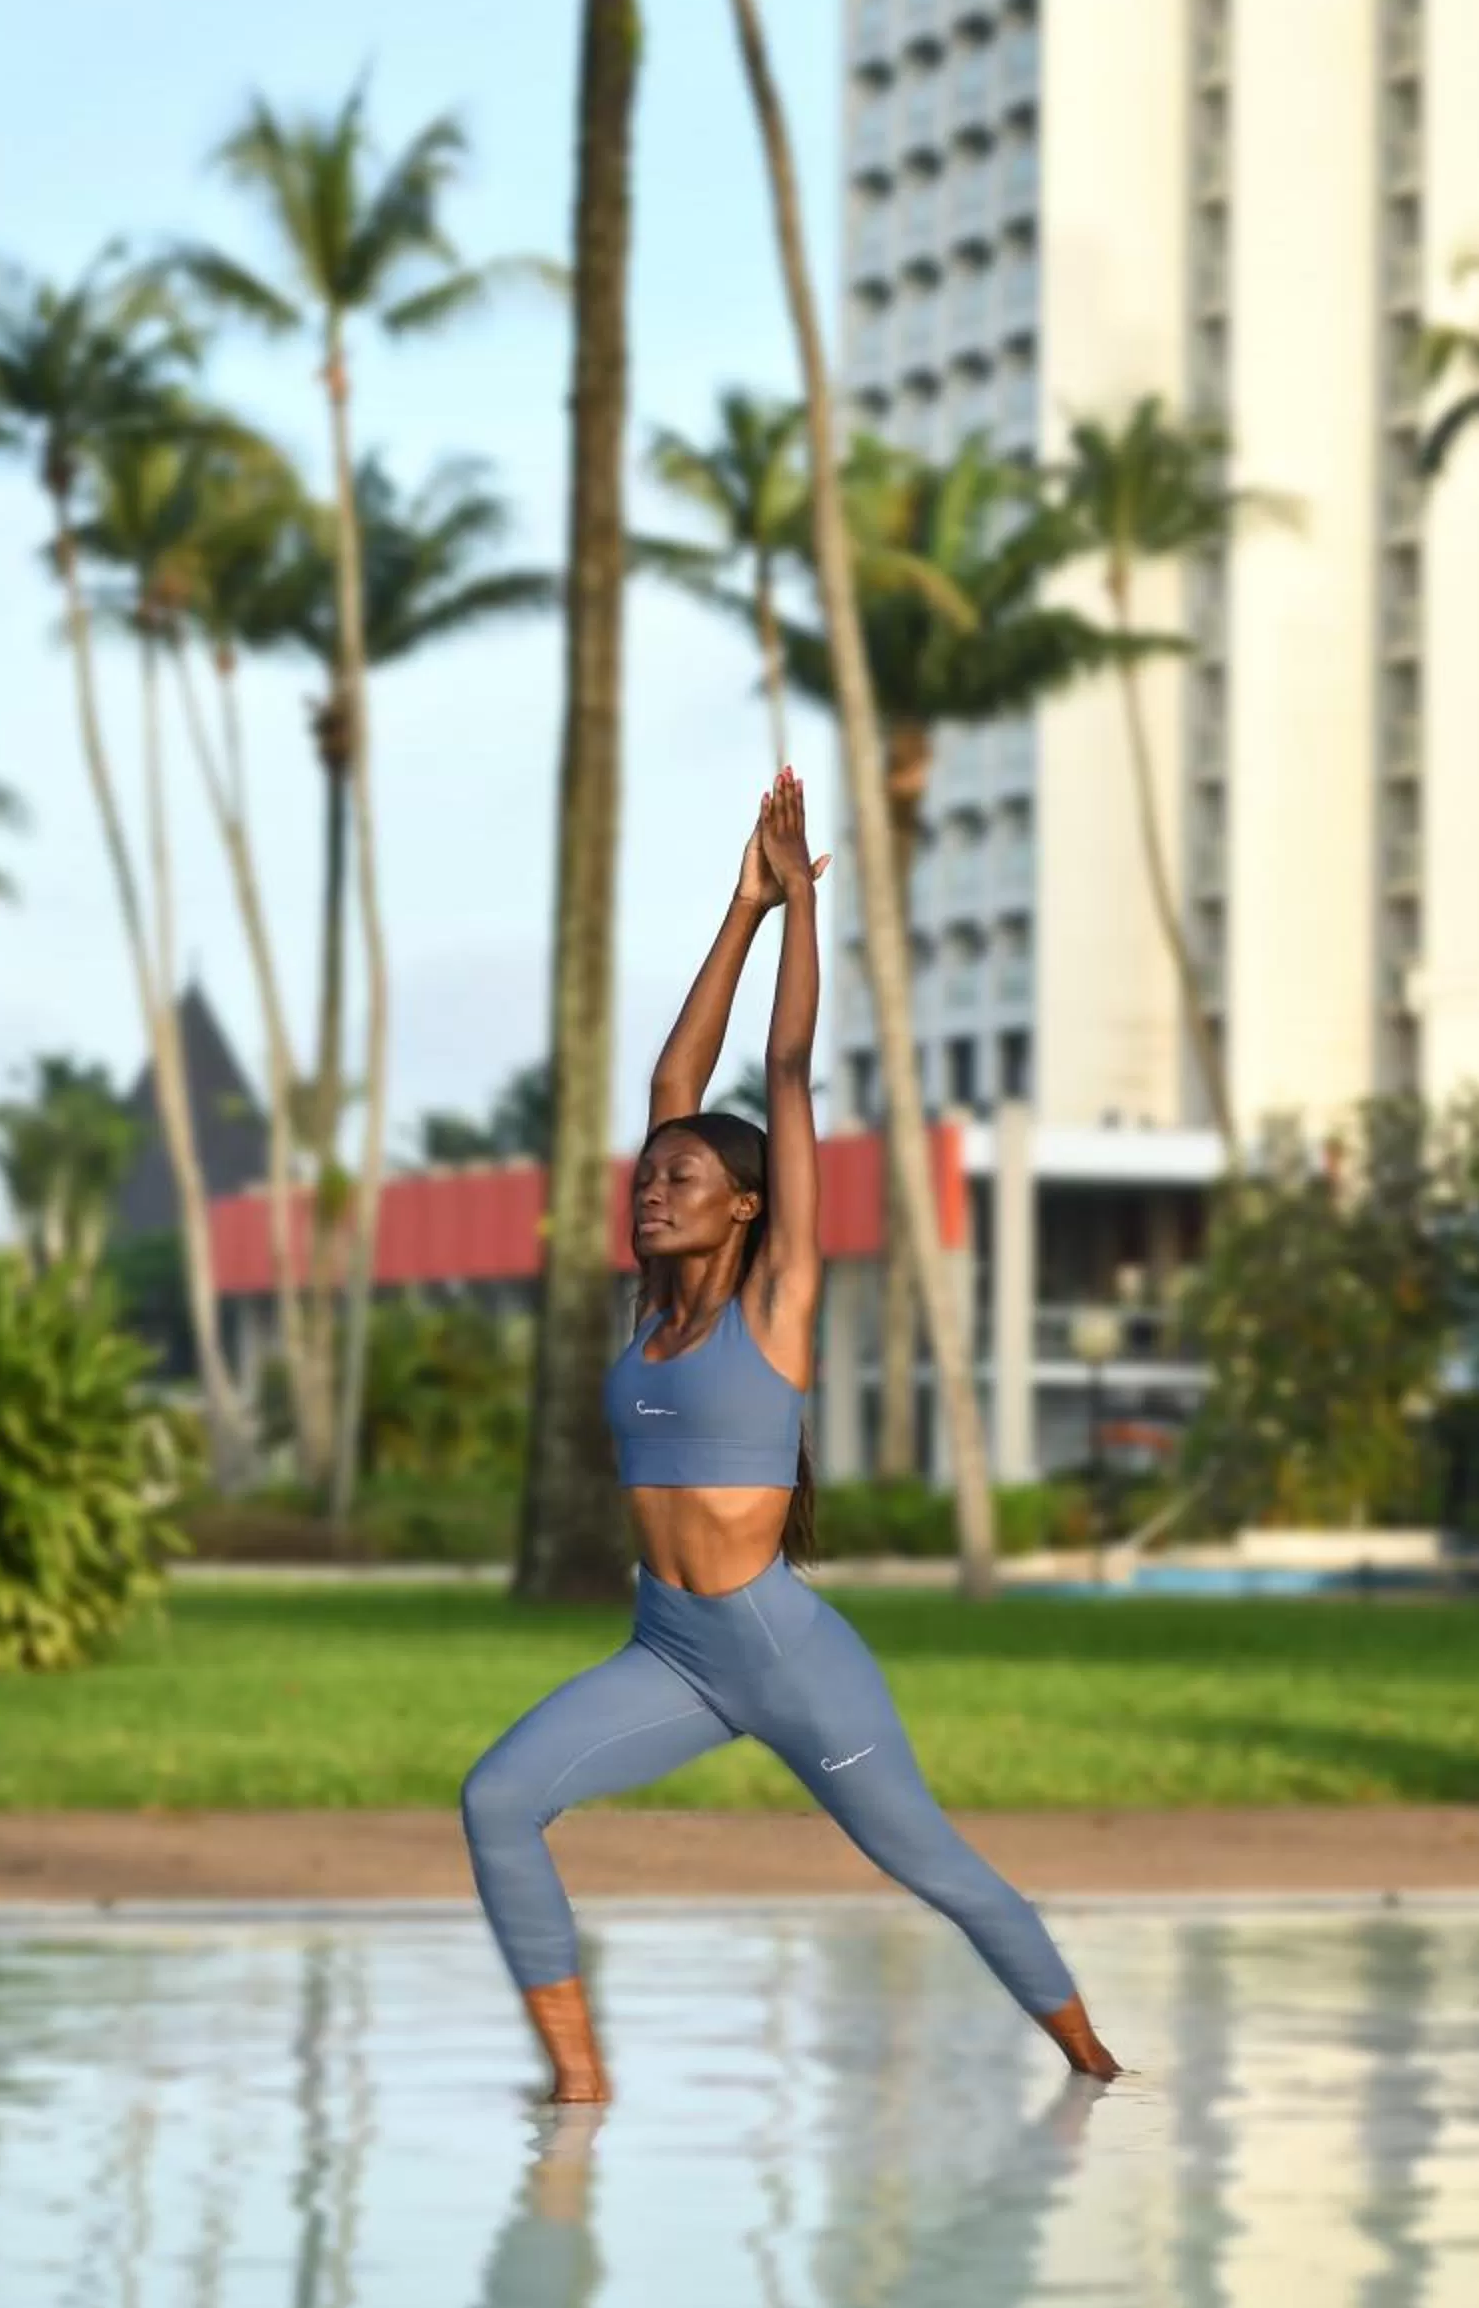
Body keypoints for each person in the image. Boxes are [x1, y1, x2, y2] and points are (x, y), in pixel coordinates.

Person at [461, 768, 1119, 2101]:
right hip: (671, 1647)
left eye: (682, 1179)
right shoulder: (650, 1307)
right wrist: (737, 904)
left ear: (747, 1209)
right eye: (648, 1177)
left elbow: (782, 1069)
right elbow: (670, 1079)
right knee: (497, 1803)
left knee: (932, 1865)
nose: (651, 1191)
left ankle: (1099, 2066)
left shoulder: (781, 1300)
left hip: (784, 1652)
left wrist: (798, 907)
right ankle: (581, 2089)